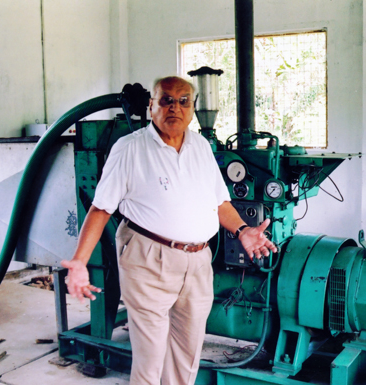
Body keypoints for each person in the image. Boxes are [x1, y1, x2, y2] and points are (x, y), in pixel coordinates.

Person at [61, 76, 277, 385]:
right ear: (151, 106)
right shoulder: (129, 149)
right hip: (148, 258)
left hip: (198, 262)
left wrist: (242, 230)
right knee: (151, 357)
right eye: (166, 100)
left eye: (183, 101)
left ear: (192, 108)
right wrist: (80, 261)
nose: (174, 107)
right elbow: (101, 209)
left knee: (187, 356)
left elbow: (220, 202)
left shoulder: (201, 147)